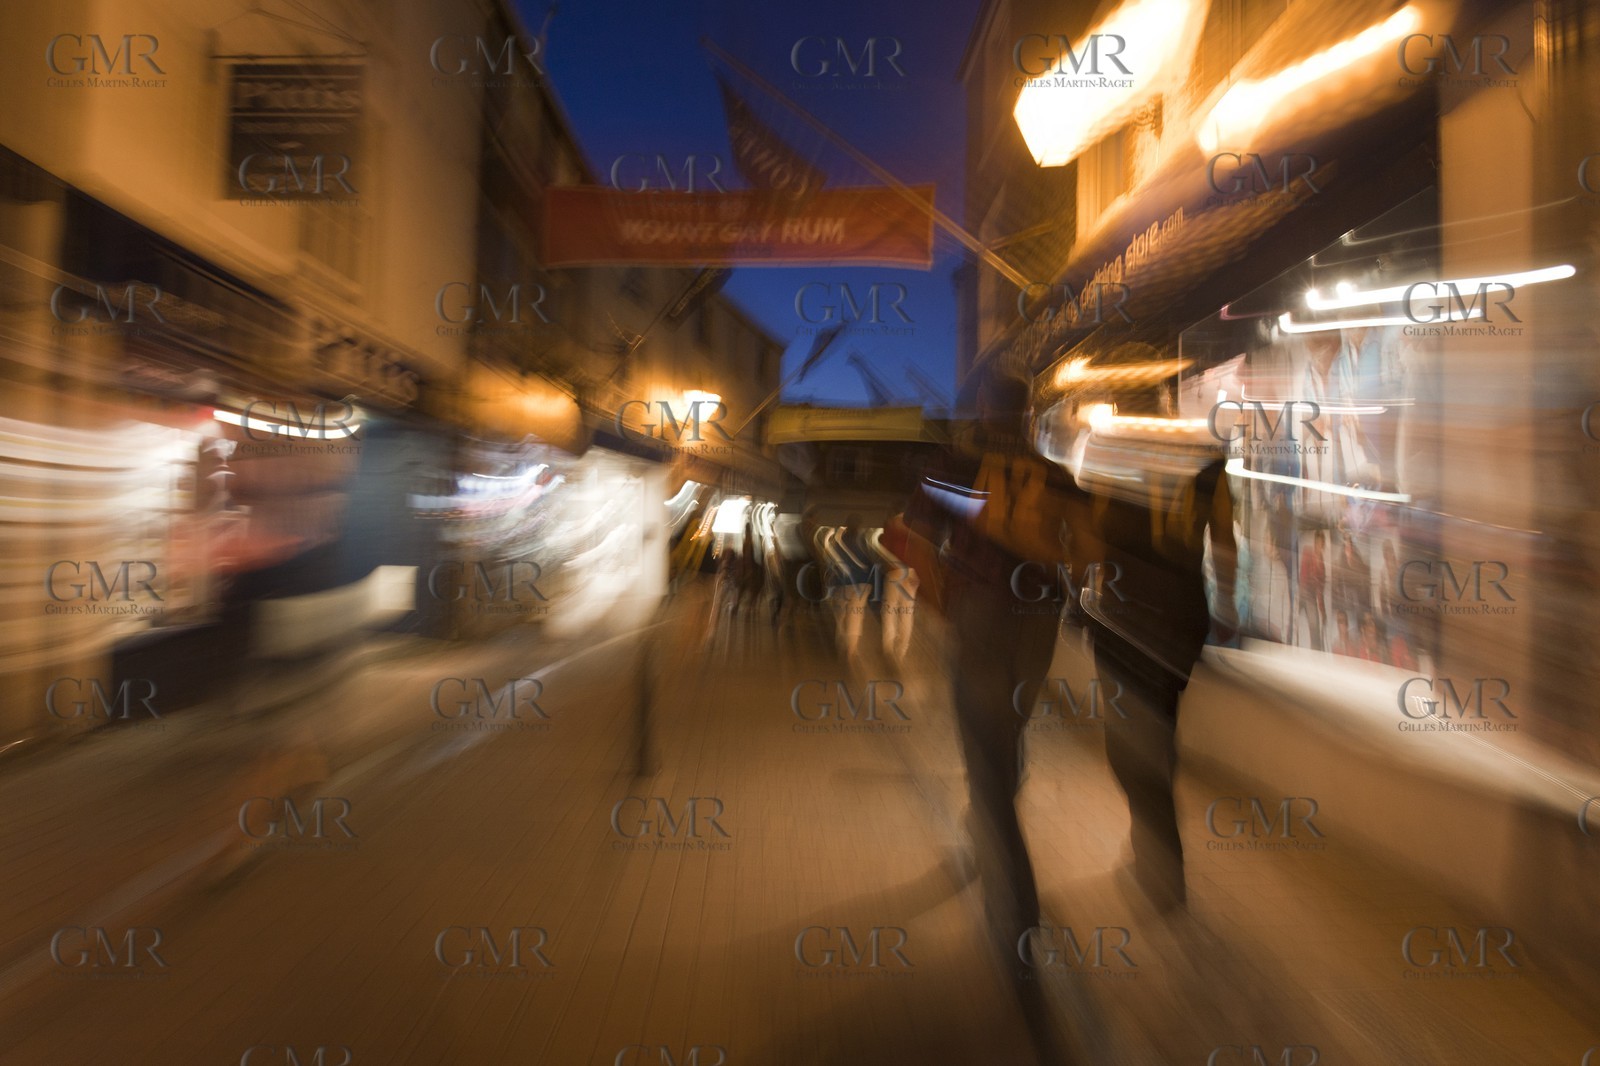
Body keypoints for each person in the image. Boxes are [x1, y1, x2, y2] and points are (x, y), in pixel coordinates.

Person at [937, 364, 1083, 1065]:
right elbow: (1086, 555)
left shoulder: (962, 465)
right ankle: (990, 834)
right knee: (1008, 738)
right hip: (1037, 620)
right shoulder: (1056, 474)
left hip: (984, 615)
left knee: (987, 766)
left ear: (990, 408)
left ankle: (1017, 917)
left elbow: (914, 534)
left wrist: (948, 601)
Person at [1075, 389, 1236, 916]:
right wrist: (1227, 609)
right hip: (1183, 619)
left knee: (1127, 746)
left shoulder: (1106, 455)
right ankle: (1156, 850)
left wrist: (1078, 595)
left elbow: (1088, 537)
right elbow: (1226, 543)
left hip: (1125, 619)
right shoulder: (1209, 461)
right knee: (1158, 731)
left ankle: (1161, 866)